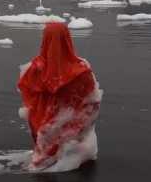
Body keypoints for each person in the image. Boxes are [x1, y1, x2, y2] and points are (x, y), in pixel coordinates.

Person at [18, 22, 102, 171]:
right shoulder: (80, 71)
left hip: (42, 122)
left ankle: (42, 165)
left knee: (42, 156)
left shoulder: (35, 68)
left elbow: (26, 90)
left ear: (45, 39)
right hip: (67, 125)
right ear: (67, 39)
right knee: (62, 153)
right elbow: (91, 102)